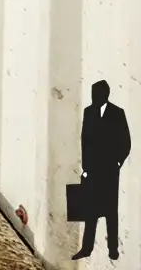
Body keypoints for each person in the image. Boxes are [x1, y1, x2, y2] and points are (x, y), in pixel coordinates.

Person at [79, 80, 131, 260]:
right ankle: (87, 248)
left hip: (109, 171)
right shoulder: (89, 112)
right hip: (93, 170)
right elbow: (84, 141)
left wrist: (117, 162)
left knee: (110, 211)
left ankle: (113, 249)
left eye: (97, 93)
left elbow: (126, 141)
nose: (94, 97)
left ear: (105, 94)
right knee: (90, 211)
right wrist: (85, 168)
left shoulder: (117, 113)